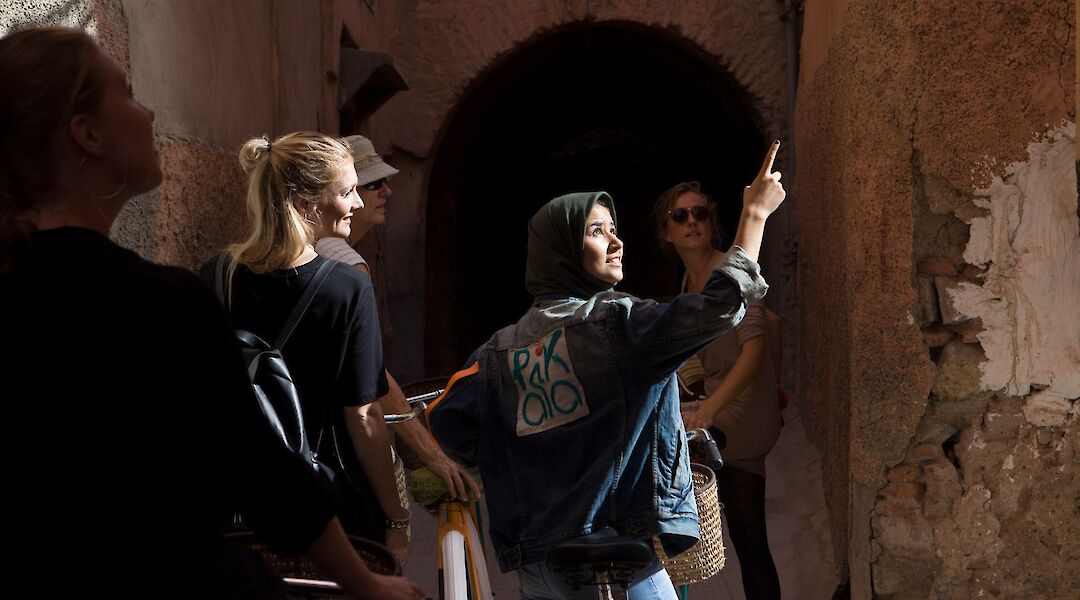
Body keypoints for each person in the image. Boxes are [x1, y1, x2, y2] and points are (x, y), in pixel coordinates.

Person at [0, 26, 422, 599]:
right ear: (88, 134)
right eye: (128, 93)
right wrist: (365, 581)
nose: (149, 111)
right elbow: (261, 472)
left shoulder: (196, 280)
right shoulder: (158, 303)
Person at [426, 142, 785, 600]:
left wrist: (523, 459)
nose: (617, 242)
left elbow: (447, 424)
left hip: (539, 569)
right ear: (562, 250)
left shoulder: (497, 353)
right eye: (597, 231)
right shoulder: (621, 326)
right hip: (621, 562)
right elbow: (719, 307)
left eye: (614, 229)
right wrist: (754, 215)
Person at [203, 131, 414, 564]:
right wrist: (396, 519)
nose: (358, 203)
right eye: (348, 192)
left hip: (240, 506)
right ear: (304, 204)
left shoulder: (217, 275)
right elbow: (363, 416)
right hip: (328, 510)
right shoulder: (348, 288)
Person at [314, 135, 481, 504]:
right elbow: (370, 375)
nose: (386, 192)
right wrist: (432, 455)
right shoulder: (346, 263)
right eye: (372, 184)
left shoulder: (310, 249)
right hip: (336, 447)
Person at [654, 180, 783, 599]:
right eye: (680, 216)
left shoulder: (731, 268)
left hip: (740, 409)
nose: (692, 221)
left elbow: (755, 350)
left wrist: (708, 409)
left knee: (675, 516)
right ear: (666, 233)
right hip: (722, 406)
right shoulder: (688, 284)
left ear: (712, 225)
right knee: (748, 539)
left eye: (701, 214)